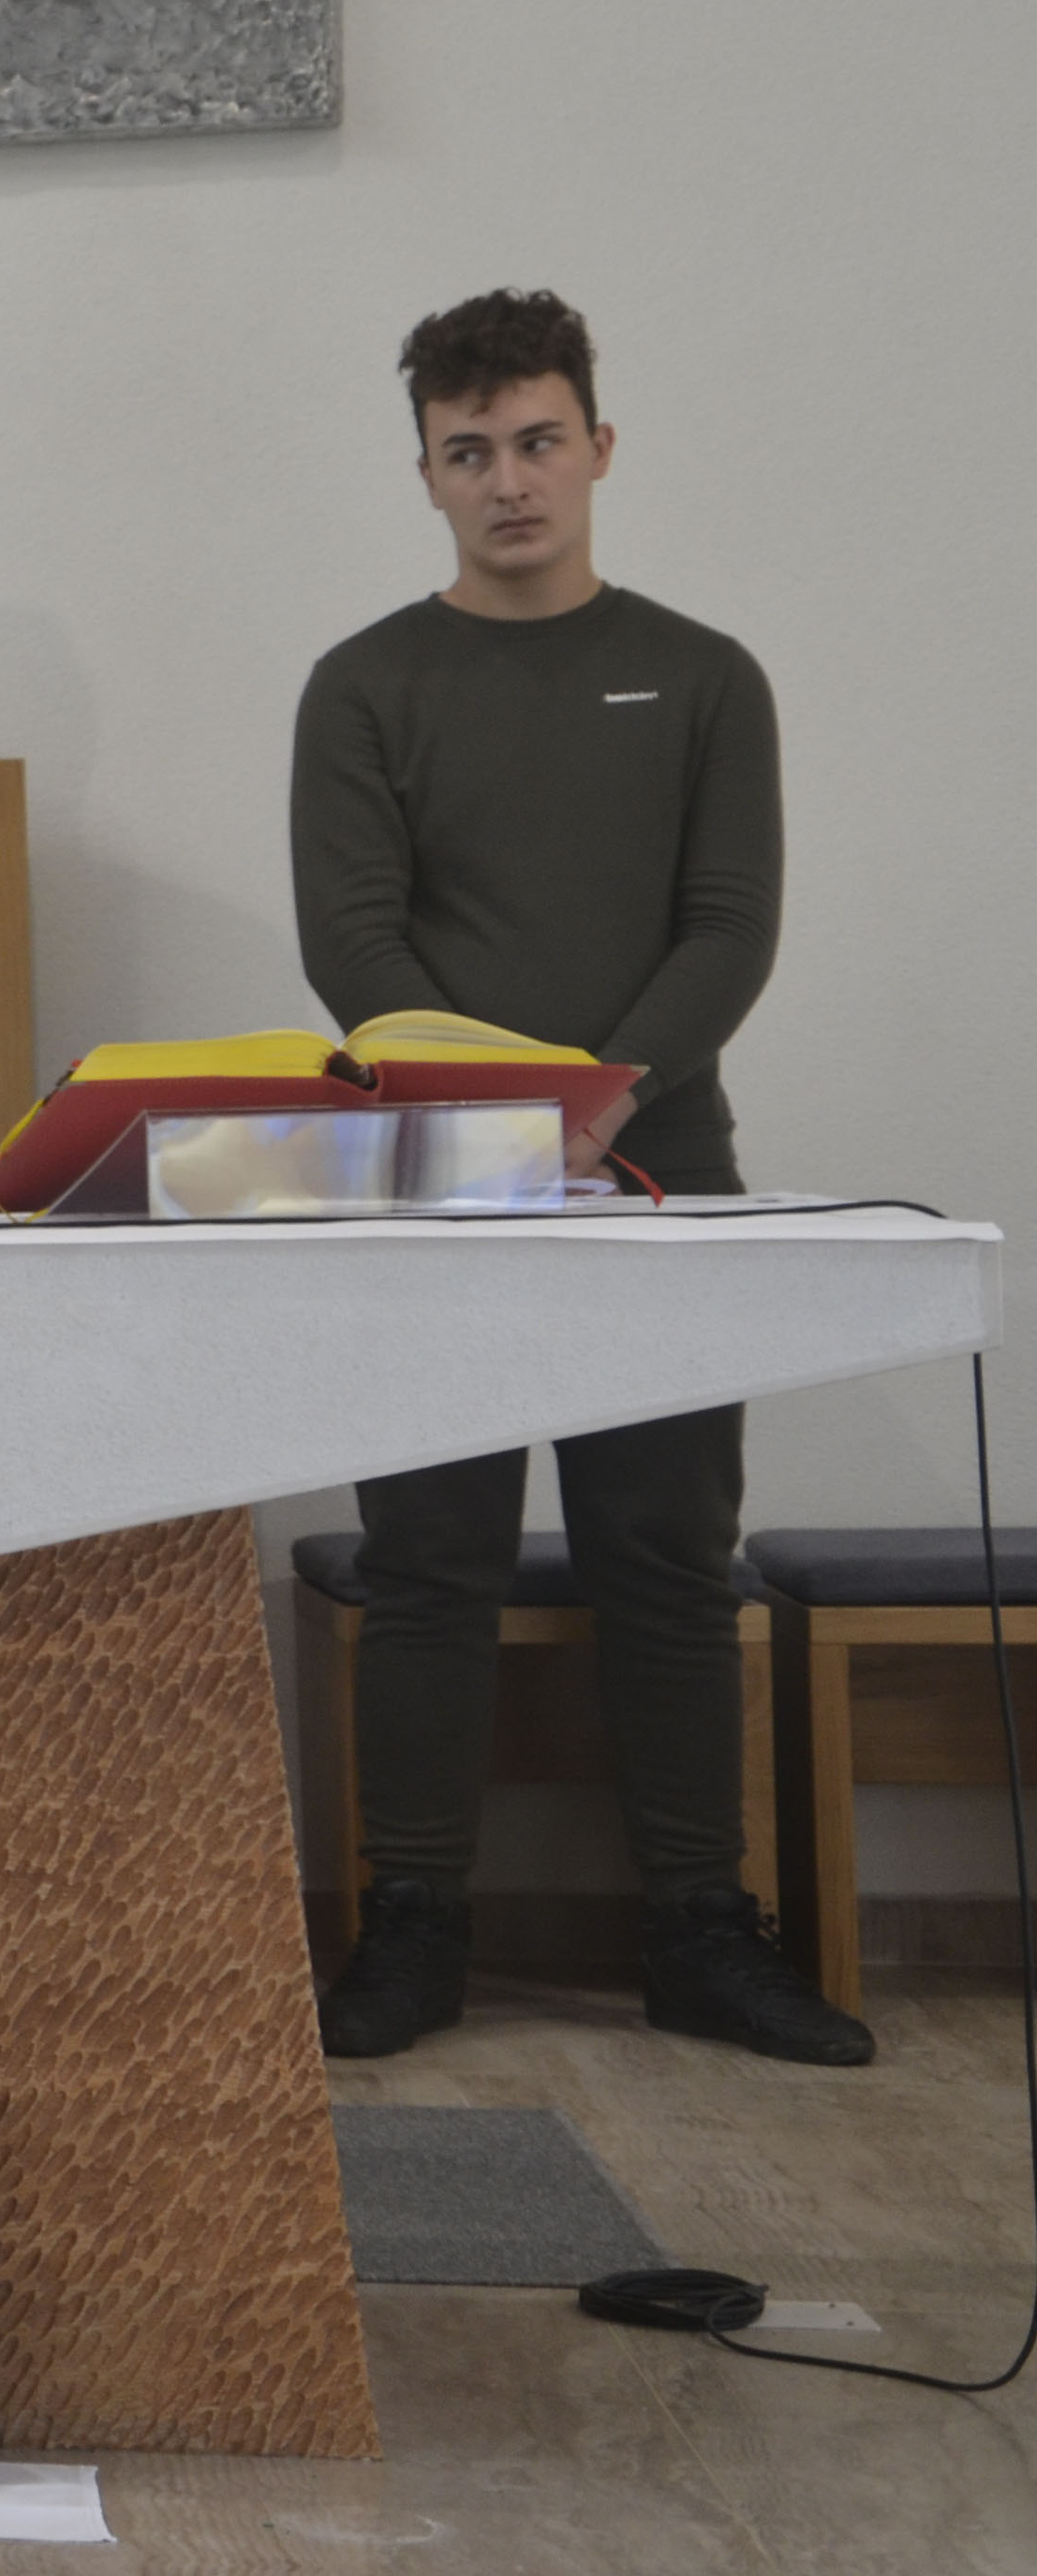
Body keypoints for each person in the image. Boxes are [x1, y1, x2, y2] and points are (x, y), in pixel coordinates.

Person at [291, 291, 867, 2067]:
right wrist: (499, 1117)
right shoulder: (365, 685)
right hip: (433, 1180)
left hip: (659, 1173)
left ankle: (699, 1928)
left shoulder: (704, 677)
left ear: (597, 447)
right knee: (429, 1561)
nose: (508, 480)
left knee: (668, 1558)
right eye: (466, 452)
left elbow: (728, 927)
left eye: (537, 441)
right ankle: (413, 1932)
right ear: (424, 475)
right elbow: (353, 941)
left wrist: (601, 1108)